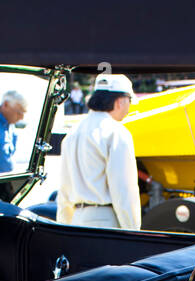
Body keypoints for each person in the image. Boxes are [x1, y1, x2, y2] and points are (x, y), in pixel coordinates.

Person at [56, 73, 142, 230]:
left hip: (76, 221)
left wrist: (63, 229)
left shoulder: (73, 133)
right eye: (129, 101)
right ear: (120, 101)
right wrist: (133, 230)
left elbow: (64, 191)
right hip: (106, 222)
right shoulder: (117, 133)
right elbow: (124, 191)